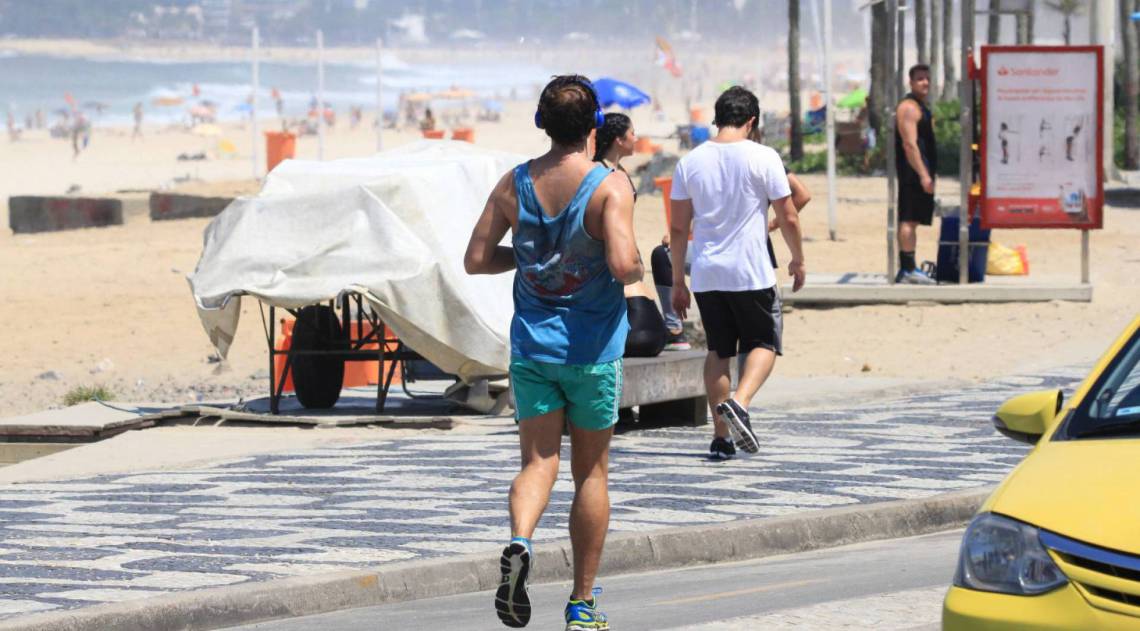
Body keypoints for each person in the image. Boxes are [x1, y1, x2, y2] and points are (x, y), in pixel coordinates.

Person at [464, 75, 641, 630]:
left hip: (532, 349)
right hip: (591, 351)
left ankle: (519, 541)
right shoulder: (609, 186)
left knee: (537, 463)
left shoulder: (513, 184)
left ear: (542, 124)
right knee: (592, 473)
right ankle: (582, 604)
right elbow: (621, 265)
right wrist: (642, 266)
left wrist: (528, 256)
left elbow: (475, 259)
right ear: (593, 129)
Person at [667, 86, 805, 461]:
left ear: (717, 118)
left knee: (718, 350)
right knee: (763, 343)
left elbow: (678, 229)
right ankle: (741, 403)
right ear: (752, 120)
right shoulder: (763, 156)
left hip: (708, 273)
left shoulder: (690, 162)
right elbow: (788, 214)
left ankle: (721, 437)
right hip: (751, 270)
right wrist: (798, 258)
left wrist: (678, 280)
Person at [594, 112, 668, 357]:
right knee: (646, 338)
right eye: (632, 133)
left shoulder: (621, 170)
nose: (637, 138)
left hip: (627, 258)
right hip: (609, 265)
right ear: (618, 139)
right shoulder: (599, 172)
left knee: (654, 337)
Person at [894, 64, 938, 285]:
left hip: (921, 171)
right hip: (912, 173)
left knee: (914, 219)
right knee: (908, 219)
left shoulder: (921, 106)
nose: (925, 83)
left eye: (927, 78)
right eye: (920, 79)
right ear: (911, 82)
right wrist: (923, 174)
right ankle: (908, 268)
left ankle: (909, 267)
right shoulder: (909, 108)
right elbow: (909, 145)